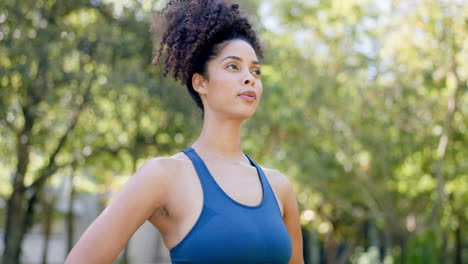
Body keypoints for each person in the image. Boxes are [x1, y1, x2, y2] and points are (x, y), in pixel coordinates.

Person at [65, 0, 303, 263]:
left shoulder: (279, 187)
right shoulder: (164, 176)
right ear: (200, 82)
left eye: (255, 71)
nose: (250, 78)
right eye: (233, 66)